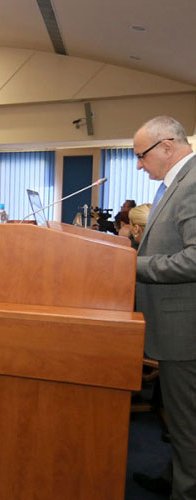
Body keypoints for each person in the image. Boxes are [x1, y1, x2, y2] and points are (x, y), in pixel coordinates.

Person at [132, 115, 196, 499]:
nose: (140, 165)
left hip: (185, 331)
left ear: (166, 147)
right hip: (175, 327)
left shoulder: (192, 184)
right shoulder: (178, 183)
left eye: (141, 156)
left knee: (187, 425)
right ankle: (177, 476)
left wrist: (133, 266)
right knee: (181, 419)